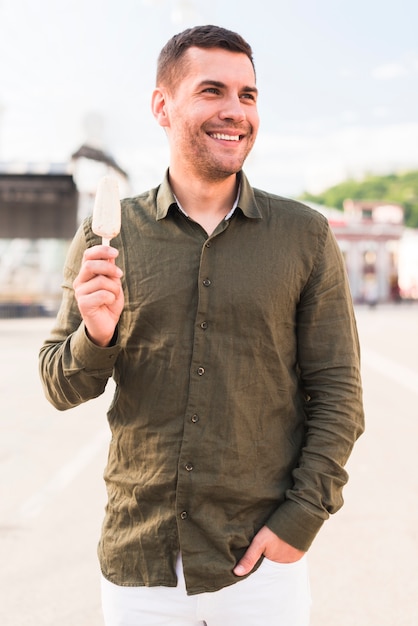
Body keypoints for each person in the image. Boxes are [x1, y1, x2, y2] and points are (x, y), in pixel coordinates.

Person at [39, 24, 364, 626]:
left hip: (261, 565)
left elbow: (338, 394)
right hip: (141, 565)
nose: (234, 111)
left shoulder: (305, 236)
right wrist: (97, 335)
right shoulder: (107, 236)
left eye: (248, 95)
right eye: (212, 90)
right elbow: (60, 385)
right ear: (162, 105)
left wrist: (301, 520)